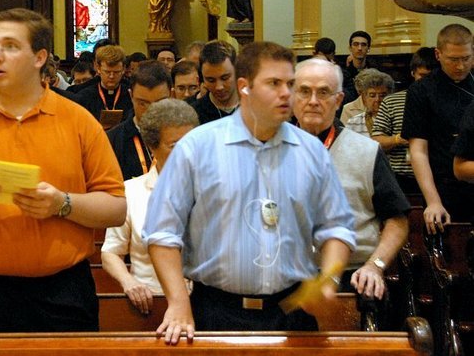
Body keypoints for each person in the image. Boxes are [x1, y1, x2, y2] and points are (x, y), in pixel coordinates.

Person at [0, 8, 126, 333]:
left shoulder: (78, 120)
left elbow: (115, 208)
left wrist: (62, 204)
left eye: (11, 46)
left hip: (61, 295)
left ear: (40, 56)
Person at [144, 41, 355, 343]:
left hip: (292, 311)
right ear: (244, 87)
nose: (286, 93)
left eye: (290, 84)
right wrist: (178, 303)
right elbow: (162, 233)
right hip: (216, 311)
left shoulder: (312, 151)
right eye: (274, 83)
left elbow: (337, 227)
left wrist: (328, 280)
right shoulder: (197, 147)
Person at [293, 58, 409, 306]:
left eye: (323, 92)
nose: (313, 101)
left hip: (352, 274)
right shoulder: (270, 149)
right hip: (288, 274)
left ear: (338, 100)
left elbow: (397, 220)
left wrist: (375, 266)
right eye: (304, 91)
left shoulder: (366, 151)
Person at [101, 99, 197, 314]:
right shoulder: (132, 191)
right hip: (150, 303)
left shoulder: (212, 189)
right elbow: (110, 252)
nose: (186, 152)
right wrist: (128, 281)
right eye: (174, 145)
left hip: (202, 303)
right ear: (152, 146)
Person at [404, 23, 474, 230]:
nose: (460, 66)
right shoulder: (421, 91)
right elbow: (418, 151)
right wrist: (433, 201)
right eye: (453, 59)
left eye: (466, 58)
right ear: (438, 54)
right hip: (443, 187)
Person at [371, 47, 436, 194]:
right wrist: (397, 139)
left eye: (432, 77)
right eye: (423, 76)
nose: (428, 82)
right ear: (413, 73)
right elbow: (376, 141)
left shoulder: (445, 102)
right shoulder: (392, 101)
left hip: (437, 175)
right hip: (401, 178)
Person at [106, 60, 171, 180]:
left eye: (160, 102)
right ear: (131, 96)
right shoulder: (112, 141)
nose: (152, 111)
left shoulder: (185, 136)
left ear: (172, 95)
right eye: (143, 103)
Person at [190, 40, 239, 124]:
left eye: (225, 78)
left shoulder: (255, 107)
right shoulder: (193, 114)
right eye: (211, 80)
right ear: (201, 79)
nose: (219, 87)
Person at [343, 69, 394, 137]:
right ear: (365, 97)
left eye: (382, 96)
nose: (377, 99)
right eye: (372, 95)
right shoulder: (354, 122)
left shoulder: (398, 120)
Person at [342, 31, 373, 105]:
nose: (359, 48)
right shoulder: (343, 75)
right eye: (356, 44)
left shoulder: (376, 73)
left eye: (363, 45)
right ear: (350, 48)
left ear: (368, 48)